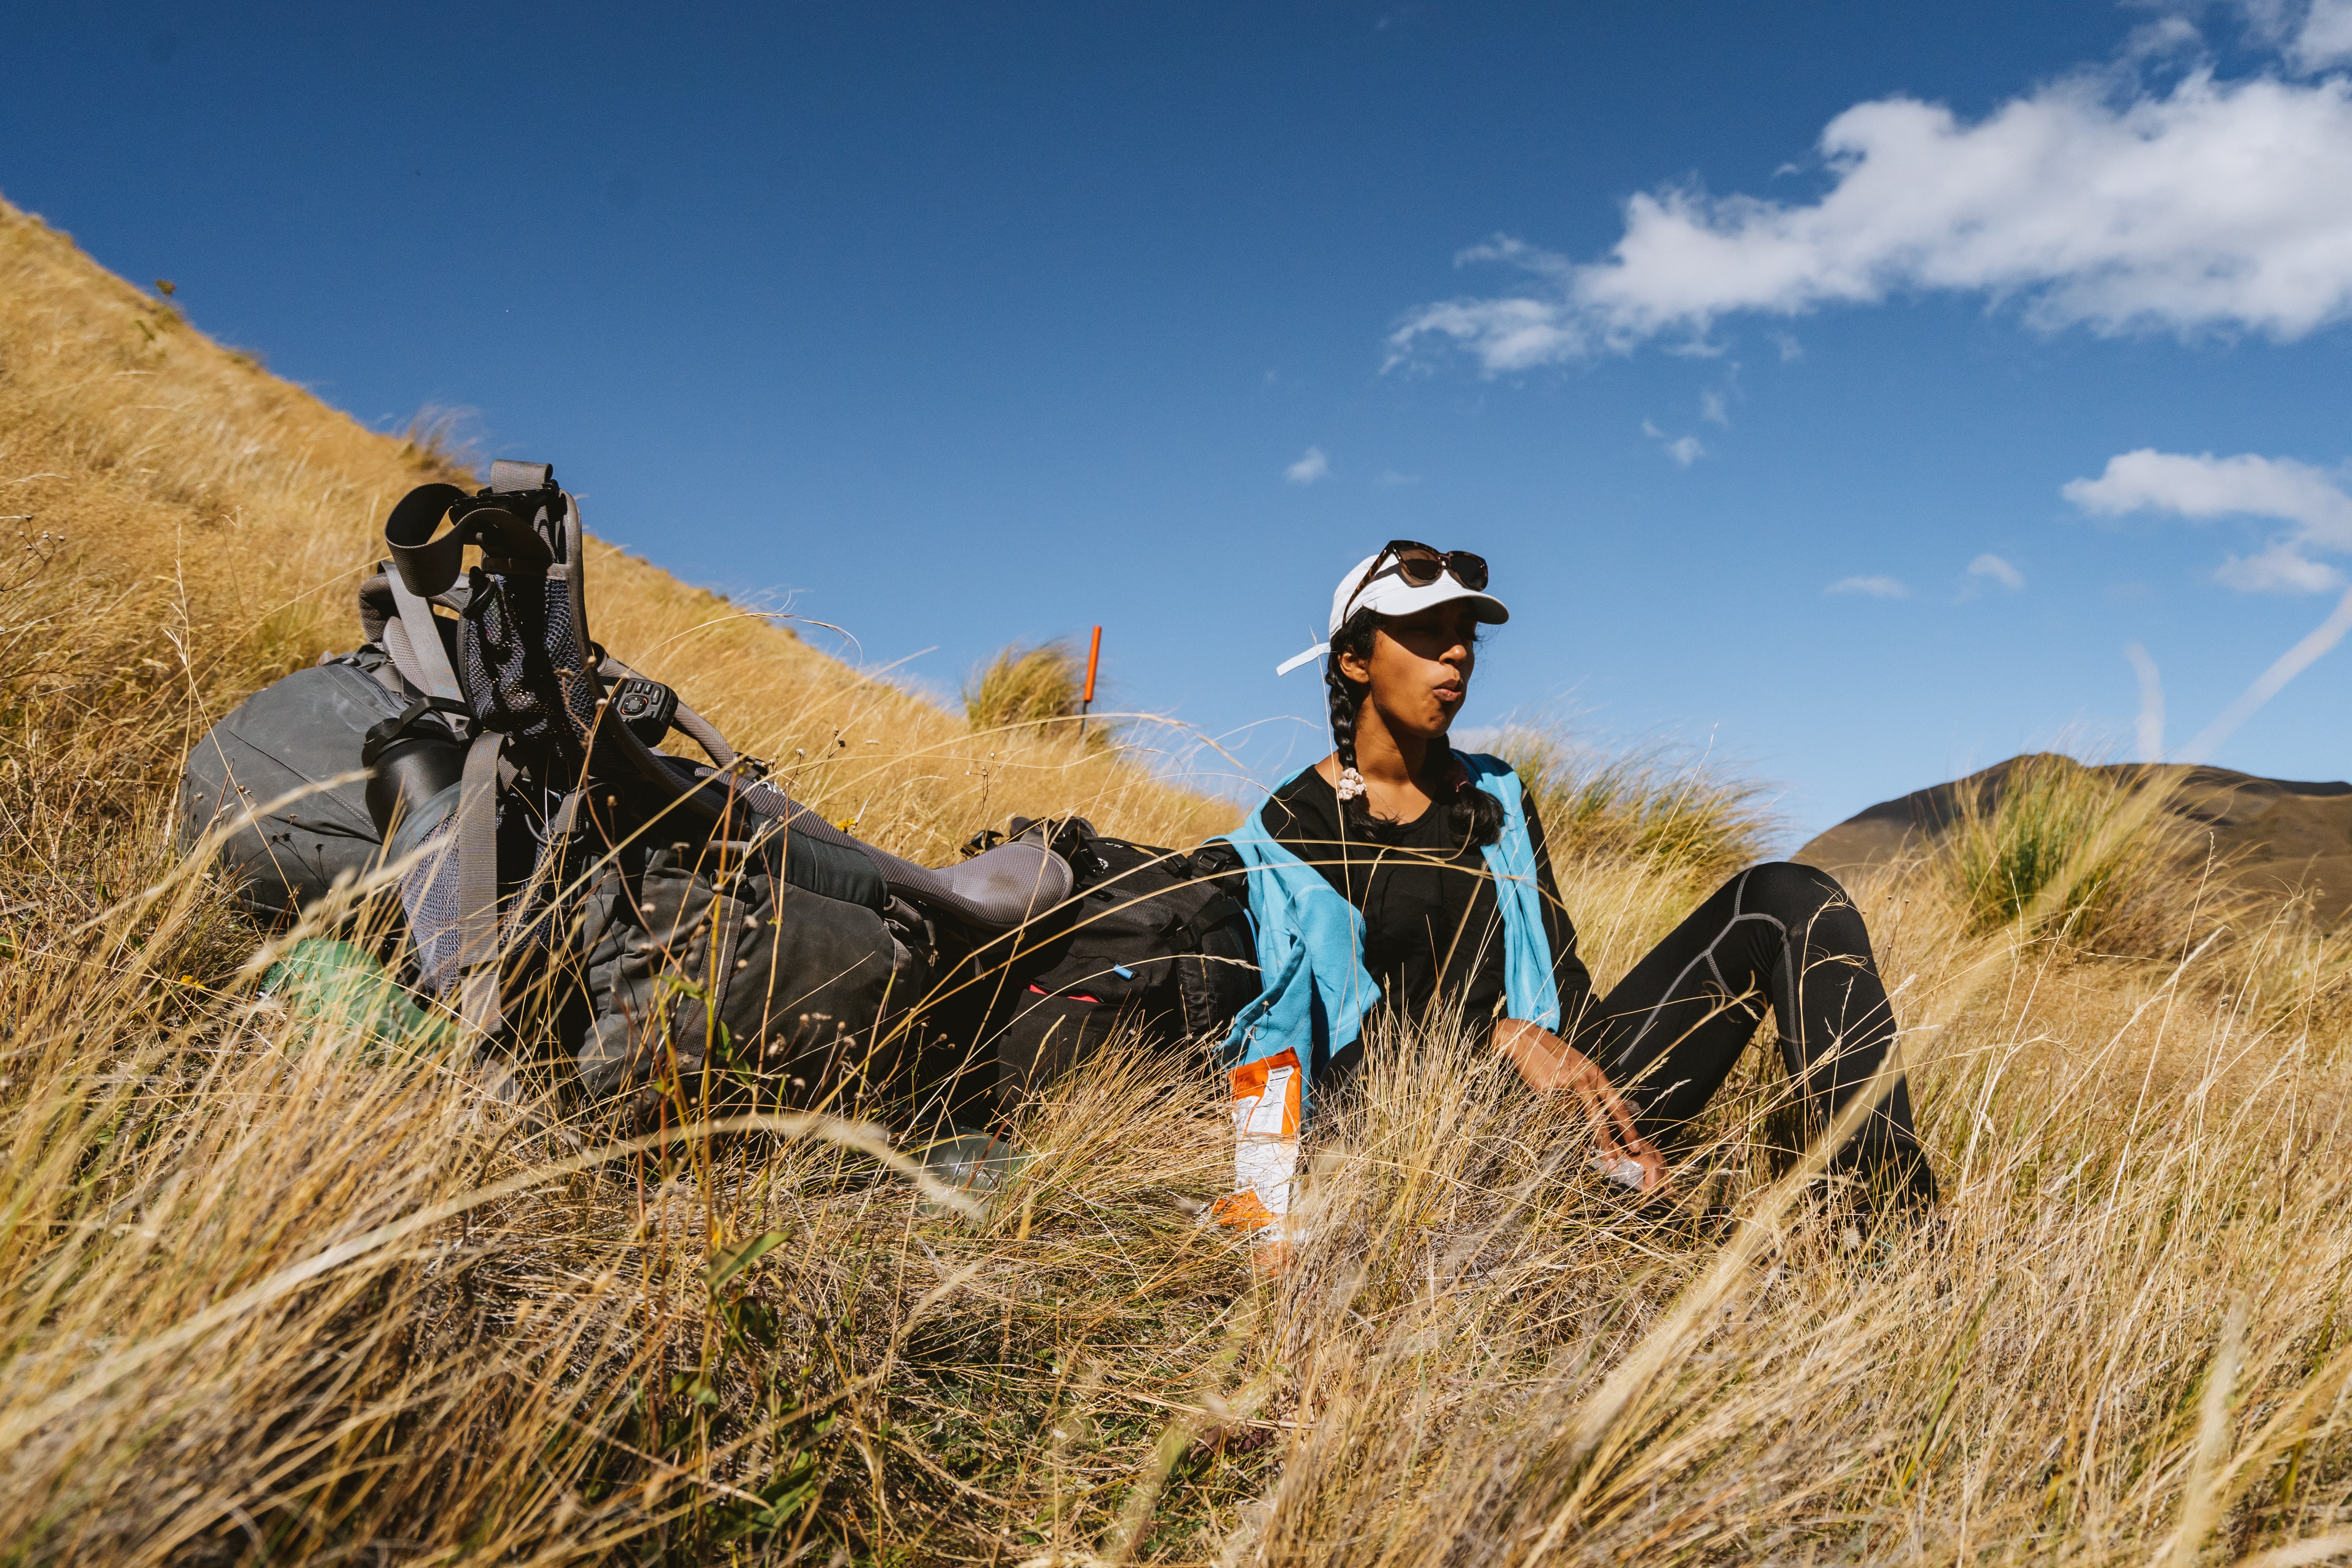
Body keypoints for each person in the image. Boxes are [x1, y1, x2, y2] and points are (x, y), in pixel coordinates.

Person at [1202, 542, 1937, 1239]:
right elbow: (1287, 1048)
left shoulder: (1495, 792)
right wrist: (1493, 1041)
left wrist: (1616, 1120)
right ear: (1356, 660)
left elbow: (1560, 976)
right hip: (1405, 1138)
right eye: (1427, 632)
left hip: (1559, 1094)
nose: (1456, 651)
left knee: (1787, 896)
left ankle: (1896, 1227)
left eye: (1464, 635)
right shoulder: (1284, 835)